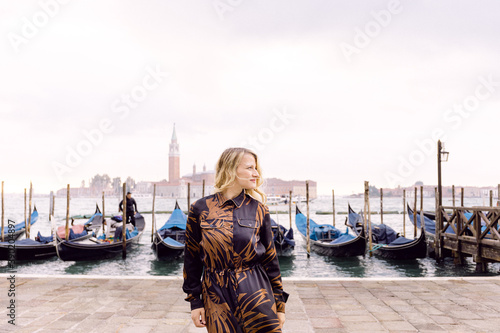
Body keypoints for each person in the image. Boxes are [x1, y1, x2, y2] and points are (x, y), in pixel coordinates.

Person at [182, 147, 288, 332]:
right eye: (250, 168)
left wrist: (279, 305)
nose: (256, 174)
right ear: (231, 169)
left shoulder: (259, 209)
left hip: (257, 293)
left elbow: (270, 260)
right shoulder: (200, 208)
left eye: (256, 168)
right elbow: (191, 259)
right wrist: (195, 301)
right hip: (216, 297)